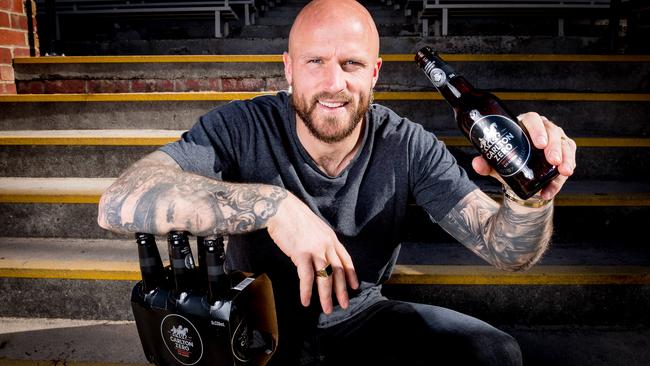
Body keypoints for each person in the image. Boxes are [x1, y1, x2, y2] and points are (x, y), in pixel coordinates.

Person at [97, 0, 576, 365]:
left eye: (350, 64)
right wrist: (275, 207)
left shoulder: (408, 145)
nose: (333, 83)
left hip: (362, 319)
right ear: (288, 68)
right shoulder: (241, 126)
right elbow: (119, 200)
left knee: (494, 354)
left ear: (374, 73)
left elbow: (507, 251)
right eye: (314, 63)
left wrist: (530, 195)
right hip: (255, 320)